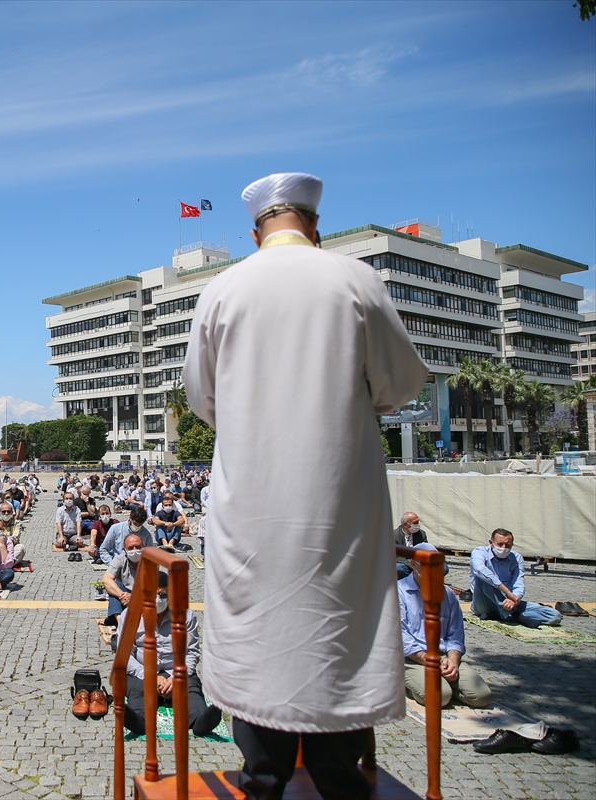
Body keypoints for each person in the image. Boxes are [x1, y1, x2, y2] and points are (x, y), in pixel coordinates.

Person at [181, 172, 429, 800]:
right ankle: (337, 775)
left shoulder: (222, 288)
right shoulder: (356, 279)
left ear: (255, 230)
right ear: (313, 224)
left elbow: (202, 399)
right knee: (336, 634)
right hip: (338, 505)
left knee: (259, 641)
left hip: (252, 508)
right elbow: (400, 384)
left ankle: (261, 775)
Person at [115, 578, 222, 737]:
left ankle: (200, 721)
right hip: (143, 670)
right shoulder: (129, 616)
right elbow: (124, 655)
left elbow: (192, 652)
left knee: (191, 690)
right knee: (138, 690)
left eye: (163, 595)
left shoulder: (186, 615)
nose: (158, 600)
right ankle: (139, 721)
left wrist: (175, 677)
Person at [399, 544, 490, 708]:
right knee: (440, 696)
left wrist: (453, 660)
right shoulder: (398, 592)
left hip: (442, 656)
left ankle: (443, 681)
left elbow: (455, 634)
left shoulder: (447, 594)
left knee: (481, 696)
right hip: (410, 657)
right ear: (413, 563)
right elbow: (401, 637)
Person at [469, 528, 561, 628]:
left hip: (508, 602)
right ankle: (514, 614)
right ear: (491, 543)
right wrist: (508, 592)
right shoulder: (479, 552)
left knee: (554, 616)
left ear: (512, 545)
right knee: (485, 577)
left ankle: (500, 615)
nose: (504, 548)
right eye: (500, 544)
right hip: (484, 602)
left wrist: (513, 599)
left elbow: (518, 582)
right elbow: (479, 569)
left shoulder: (516, 558)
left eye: (507, 545)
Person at [101, 533, 143, 622]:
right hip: (125, 598)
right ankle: (120, 620)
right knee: (114, 585)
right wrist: (123, 596)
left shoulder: (152, 560)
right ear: (125, 549)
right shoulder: (120, 558)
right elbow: (106, 579)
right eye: (131, 548)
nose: (135, 550)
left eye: (138, 547)